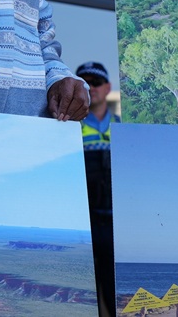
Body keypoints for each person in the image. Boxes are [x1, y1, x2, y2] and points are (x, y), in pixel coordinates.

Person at [76, 61, 119, 317]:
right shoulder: (69, 126)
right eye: (85, 82)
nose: (91, 88)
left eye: (96, 83)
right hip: (86, 225)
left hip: (117, 226)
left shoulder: (125, 126)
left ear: (107, 88)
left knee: (114, 291)